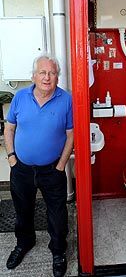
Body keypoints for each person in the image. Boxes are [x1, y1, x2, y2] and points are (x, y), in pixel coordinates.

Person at [4, 54, 73, 277]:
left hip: (53, 170)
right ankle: (24, 243)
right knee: (22, 211)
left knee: (57, 214)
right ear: (33, 76)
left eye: (52, 73)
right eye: (42, 72)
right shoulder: (20, 97)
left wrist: (62, 164)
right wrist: (12, 158)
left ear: (57, 77)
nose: (47, 77)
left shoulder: (66, 100)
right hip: (22, 168)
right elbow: (10, 128)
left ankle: (58, 251)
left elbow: (70, 135)